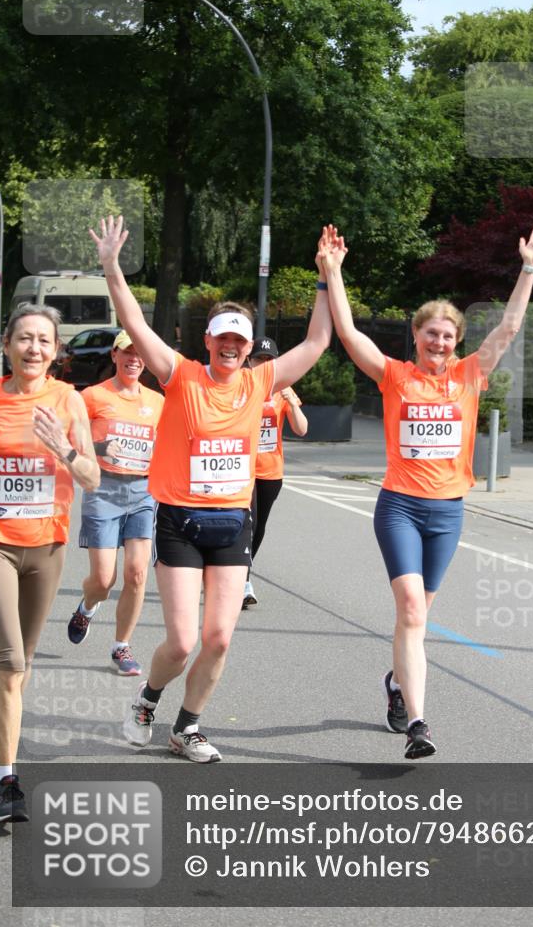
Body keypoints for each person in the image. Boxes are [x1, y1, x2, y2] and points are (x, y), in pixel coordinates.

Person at [89, 215, 331, 763]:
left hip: (231, 523)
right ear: (208, 341)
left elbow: (318, 340)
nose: (230, 346)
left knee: (219, 638)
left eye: (238, 340)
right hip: (178, 521)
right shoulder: (181, 375)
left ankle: (188, 726)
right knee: (181, 642)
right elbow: (134, 320)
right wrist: (110, 266)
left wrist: (325, 276)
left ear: (248, 349)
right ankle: (147, 699)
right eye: (222, 337)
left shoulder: (261, 381)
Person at [319, 222, 533, 759]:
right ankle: (420, 724)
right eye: (431, 334)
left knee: (416, 617)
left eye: (448, 335)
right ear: (417, 337)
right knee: (412, 613)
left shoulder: (470, 375)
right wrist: (332, 275)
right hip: (399, 505)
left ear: (457, 341)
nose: (440, 342)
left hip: (448, 511)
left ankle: (398, 684)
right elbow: (351, 335)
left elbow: (510, 328)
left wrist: (530, 267)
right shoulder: (396, 376)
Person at [0, 304, 99, 821]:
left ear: (55, 351)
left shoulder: (67, 400)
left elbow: (93, 479)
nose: (33, 348)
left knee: (22, 664)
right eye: (24, 339)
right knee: (10, 660)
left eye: (44, 341)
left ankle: (0, 740)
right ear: (6, 343)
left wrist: (65, 450)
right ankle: (6, 781)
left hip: (47, 547)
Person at [67, 331, 164, 675]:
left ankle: (121, 647)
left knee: (137, 573)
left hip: (142, 493)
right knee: (103, 579)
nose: (134, 359)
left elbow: (168, 446)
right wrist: (102, 449)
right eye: (127, 352)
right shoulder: (92, 397)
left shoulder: (158, 402)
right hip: (103, 491)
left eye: (139, 354)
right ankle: (87, 607)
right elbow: (73, 440)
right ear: (114, 355)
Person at [242, 337, 308, 608]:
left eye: (269, 360)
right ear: (249, 361)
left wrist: (292, 404)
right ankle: (243, 580)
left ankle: (238, 573)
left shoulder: (284, 389)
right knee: (249, 524)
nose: (264, 364)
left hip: (271, 470)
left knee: (260, 529)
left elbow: (302, 429)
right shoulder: (241, 386)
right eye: (259, 359)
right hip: (243, 471)